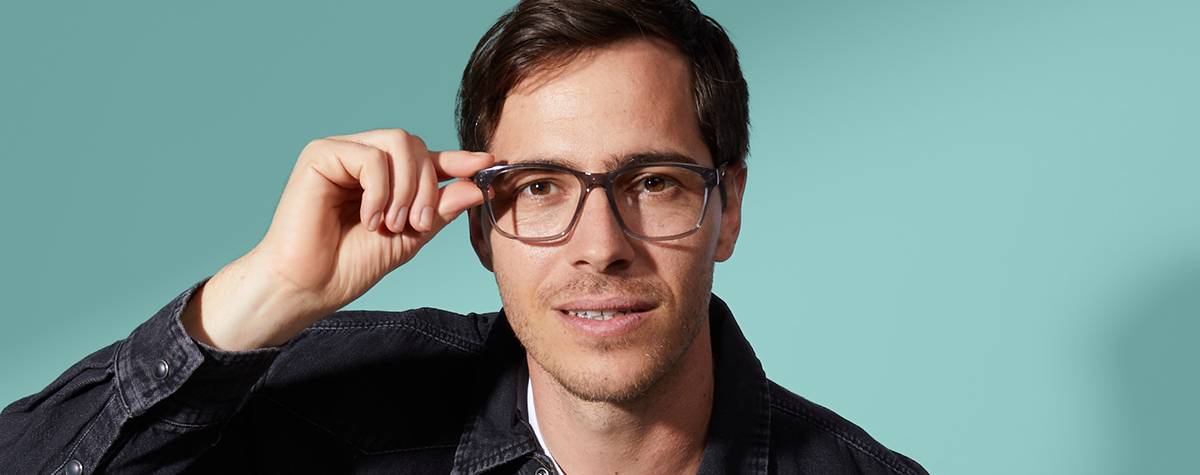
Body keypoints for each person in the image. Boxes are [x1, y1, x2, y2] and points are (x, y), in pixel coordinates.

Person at [0, 1, 928, 473]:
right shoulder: (330, 406)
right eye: (540, 187)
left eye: (652, 182)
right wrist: (265, 293)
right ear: (482, 225)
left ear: (728, 209)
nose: (598, 244)